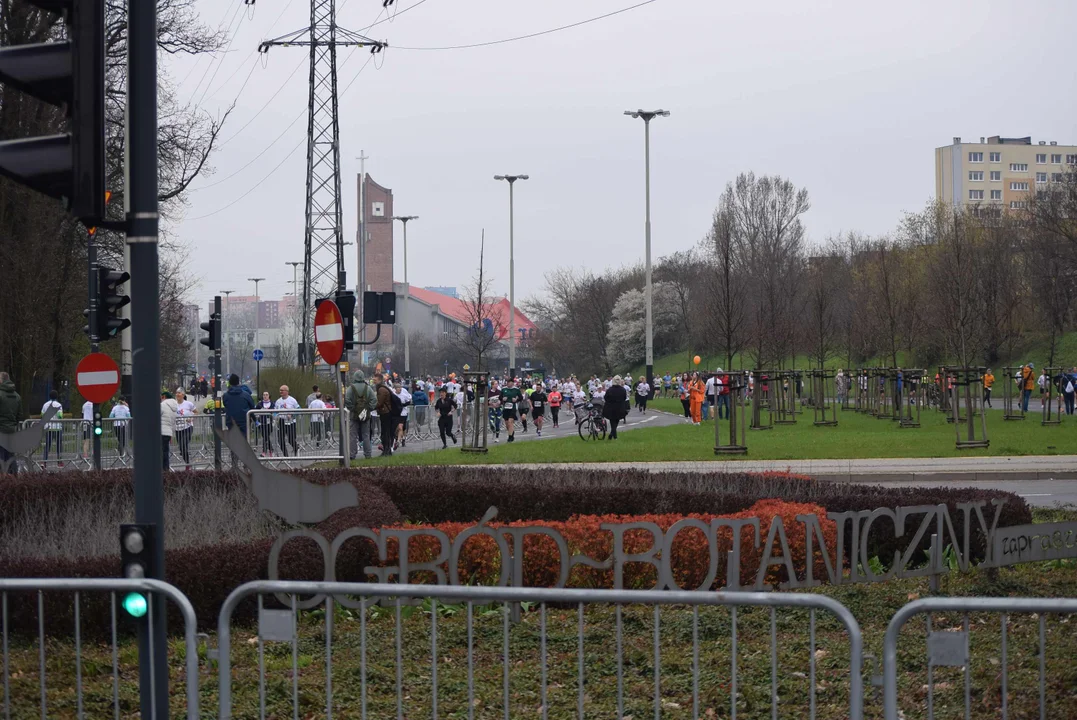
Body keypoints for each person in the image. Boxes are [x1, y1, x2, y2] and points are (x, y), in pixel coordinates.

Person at [344, 370, 376, 460]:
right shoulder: (368, 388)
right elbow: (374, 400)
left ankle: (352, 454)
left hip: (354, 415)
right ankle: (368, 454)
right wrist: (369, 408)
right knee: (366, 435)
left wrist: (352, 408)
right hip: (365, 415)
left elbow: (347, 400)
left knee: (353, 435)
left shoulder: (350, 388)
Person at [0, 372, 25, 474]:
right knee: (10, 455)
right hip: (12, 430)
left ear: (1, 380)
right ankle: (14, 478)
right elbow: (20, 415)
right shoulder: (17, 396)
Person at [274, 385, 300, 457]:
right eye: (280, 390)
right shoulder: (278, 401)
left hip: (290, 422)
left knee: (291, 439)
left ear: (287, 391)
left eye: (282, 390)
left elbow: (299, 410)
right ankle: (286, 456)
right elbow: (275, 411)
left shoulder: (292, 400)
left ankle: (296, 448)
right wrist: (275, 416)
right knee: (280, 440)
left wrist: (292, 414)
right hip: (281, 421)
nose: (280, 392)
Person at [41, 390, 64, 466]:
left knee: (47, 445)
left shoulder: (45, 405)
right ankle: (59, 461)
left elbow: (42, 415)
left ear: (49, 396)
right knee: (59, 445)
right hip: (57, 427)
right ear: (57, 396)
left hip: (48, 427)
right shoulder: (59, 405)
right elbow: (60, 416)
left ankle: (44, 461)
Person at [175, 388, 196, 470]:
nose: (177, 394)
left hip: (188, 427)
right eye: (176, 393)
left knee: (183, 445)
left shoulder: (188, 404)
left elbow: (196, 412)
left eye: (179, 393)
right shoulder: (174, 404)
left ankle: (188, 464)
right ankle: (187, 462)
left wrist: (191, 418)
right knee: (181, 447)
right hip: (178, 429)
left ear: (183, 395)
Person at [374, 373, 395, 456]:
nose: (373, 381)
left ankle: (386, 450)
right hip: (386, 412)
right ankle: (387, 450)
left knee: (385, 432)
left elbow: (379, 403)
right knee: (386, 432)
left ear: (379, 379)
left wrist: (371, 406)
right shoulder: (383, 388)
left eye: (375, 379)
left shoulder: (381, 390)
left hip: (385, 412)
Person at [499, 378, 524, 443]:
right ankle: (511, 432)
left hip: (513, 408)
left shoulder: (516, 390)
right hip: (505, 408)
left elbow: (521, 398)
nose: (508, 383)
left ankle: (510, 437)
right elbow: (500, 397)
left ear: (513, 383)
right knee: (507, 424)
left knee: (510, 422)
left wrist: (516, 400)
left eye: (509, 382)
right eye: (507, 382)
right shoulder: (503, 389)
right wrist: (503, 399)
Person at [160, 391, 178, 471]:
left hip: (160, 432)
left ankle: (160, 470)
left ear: (164, 396)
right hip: (168, 433)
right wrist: (171, 434)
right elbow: (174, 422)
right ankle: (166, 469)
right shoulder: (174, 407)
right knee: (165, 452)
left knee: (160, 452)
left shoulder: (162, 405)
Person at [255, 391, 275, 456]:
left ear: (269, 396)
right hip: (262, 423)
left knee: (266, 437)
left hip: (270, 423)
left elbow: (275, 412)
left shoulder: (272, 404)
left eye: (266, 395)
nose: (265, 396)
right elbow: (254, 411)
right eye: (264, 395)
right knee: (265, 437)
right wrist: (256, 421)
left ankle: (266, 451)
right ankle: (268, 450)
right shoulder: (259, 404)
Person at [393, 381, 411, 449]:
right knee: (398, 427)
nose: (400, 389)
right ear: (395, 389)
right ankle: (397, 439)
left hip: (403, 413)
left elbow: (409, 401)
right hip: (396, 413)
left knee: (402, 427)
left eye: (400, 388)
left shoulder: (404, 393)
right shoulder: (393, 394)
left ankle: (401, 440)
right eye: (398, 388)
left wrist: (402, 405)